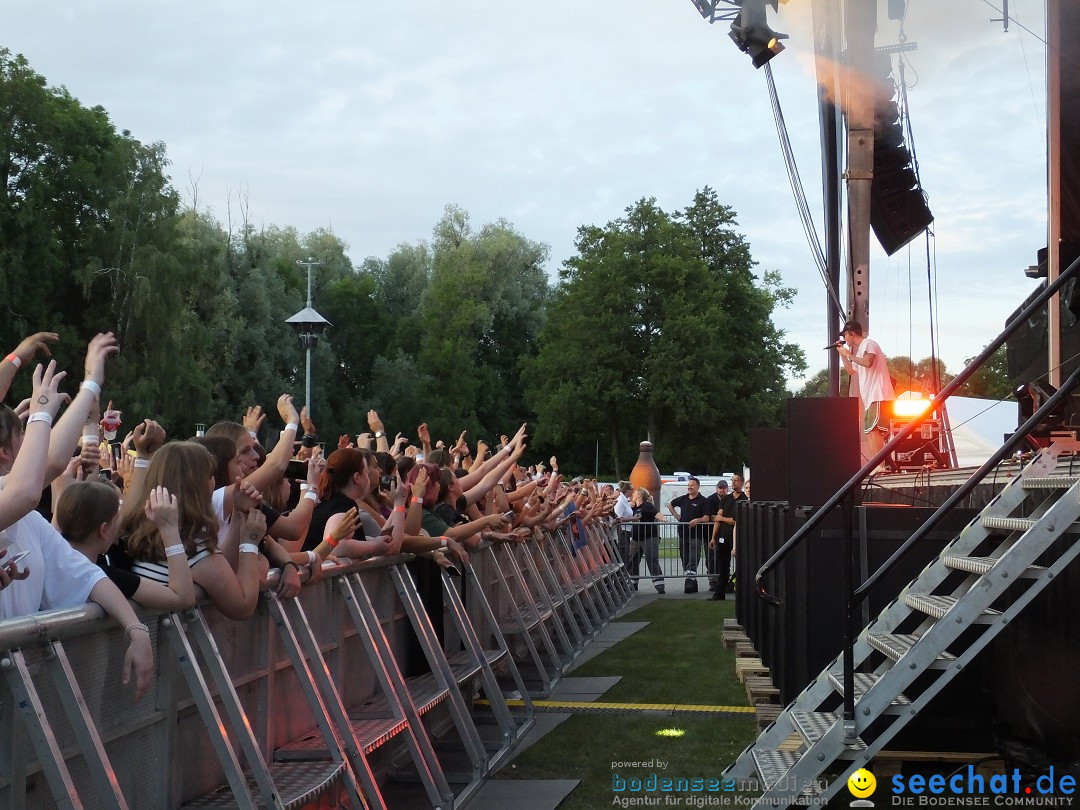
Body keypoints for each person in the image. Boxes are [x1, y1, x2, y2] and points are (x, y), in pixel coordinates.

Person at [834, 319, 895, 462]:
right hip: (870, 399)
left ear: (851, 333)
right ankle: (877, 464)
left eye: (845, 335)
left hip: (879, 394)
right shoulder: (860, 351)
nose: (844, 339)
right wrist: (843, 354)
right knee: (870, 432)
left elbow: (868, 362)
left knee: (874, 430)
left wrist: (849, 354)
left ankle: (880, 465)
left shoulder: (869, 343)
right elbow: (850, 371)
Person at [666, 477, 713, 594]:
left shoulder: (703, 501)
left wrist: (697, 520)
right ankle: (691, 578)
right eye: (689, 485)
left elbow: (707, 517)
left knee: (693, 556)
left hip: (696, 534)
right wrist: (677, 516)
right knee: (684, 557)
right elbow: (670, 505)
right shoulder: (683, 499)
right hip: (683, 533)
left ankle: (690, 579)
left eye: (692, 485)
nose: (690, 487)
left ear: (698, 487)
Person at [709, 474, 746, 601]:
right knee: (723, 565)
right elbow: (717, 520)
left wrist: (722, 518)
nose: (733, 483)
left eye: (736, 480)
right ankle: (719, 593)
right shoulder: (725, 499)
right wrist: (713, 537)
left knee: (741, 564)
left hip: (737, 538)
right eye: (732, 480)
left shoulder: (744, 500)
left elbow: (736, 520)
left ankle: (739, 590)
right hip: (723, 537)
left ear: (741, 482)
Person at [630, 487, 664, 594]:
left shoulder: (647, 506)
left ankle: (659, 584)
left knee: (651, 559)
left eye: (635, 493)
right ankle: (633, 583)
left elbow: (656, 514)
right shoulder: (634, 507)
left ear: (639, 495)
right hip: (636, 538)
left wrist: (664, 519)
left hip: (649, 537)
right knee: (632, 559)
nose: (633, 495)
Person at [705, 480, 729, 594]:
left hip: (725, 534)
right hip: (711, 534)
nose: (722, 490)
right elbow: (710, 517)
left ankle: (724, 581)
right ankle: (712, 581)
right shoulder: (710, 500)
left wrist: (720, 518)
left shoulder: (729, 500)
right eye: (720, 488)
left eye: (724, 488)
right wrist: (721, 518)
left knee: (723, 559)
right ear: (716, 489)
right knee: (711, 558)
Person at [613, 481, 634, 583]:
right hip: (622, 532)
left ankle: (622, 580)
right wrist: (632, 519)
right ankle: (620, 581)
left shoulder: (625, 500)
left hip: (626, 531)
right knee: (622, 556)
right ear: (628, 490)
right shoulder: (620, 501)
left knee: (625, 555)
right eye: (632, 490)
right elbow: (618, 518)